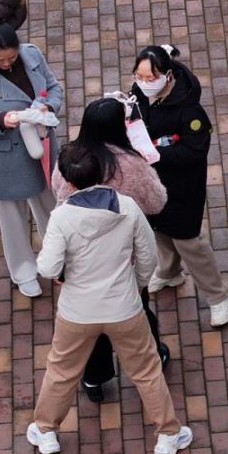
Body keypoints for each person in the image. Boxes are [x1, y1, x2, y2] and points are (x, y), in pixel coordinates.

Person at [25, 144, 193, 454]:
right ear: (100, 172)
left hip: (77, 311)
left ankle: (46, 430)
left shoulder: (61, 217)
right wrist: (137, 285)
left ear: (68, 181)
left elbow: (47, 267)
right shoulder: (127, 207)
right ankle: (168, 434)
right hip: (124, 307)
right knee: (146, 371)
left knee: (61, 371)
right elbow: (148, 256)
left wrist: (63, 275)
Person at [53, 98, 171, 401]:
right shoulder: (130, 164)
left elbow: (57, 191)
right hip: (122, 260)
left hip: (80, 260)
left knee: (92, 325)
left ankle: (94, 378)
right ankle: (153, 359)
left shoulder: (70, 157)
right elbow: (157, 201)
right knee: (138, 314)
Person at [130, 44, 228, 329]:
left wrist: (154, 153)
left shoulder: (190, 111)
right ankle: (169, 271)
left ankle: (218, 297)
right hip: (151, 183)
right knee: (160, 230)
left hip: (182, 188)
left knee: (190, 243)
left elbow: (195, 152)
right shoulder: (138, 94)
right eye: (140, 76)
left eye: (151, 78)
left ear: (168, 75)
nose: (144, 83)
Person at [0, 24, 62, 297]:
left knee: (52, 206)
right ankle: (24, 272)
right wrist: (1, 120)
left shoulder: (32, 55)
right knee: (13, 218)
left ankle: (58, 259)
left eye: (12, 58)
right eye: (0, 60)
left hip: (42, 144)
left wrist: (48, 106)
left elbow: (54, 87)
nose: (7, 64)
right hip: (7, 156)